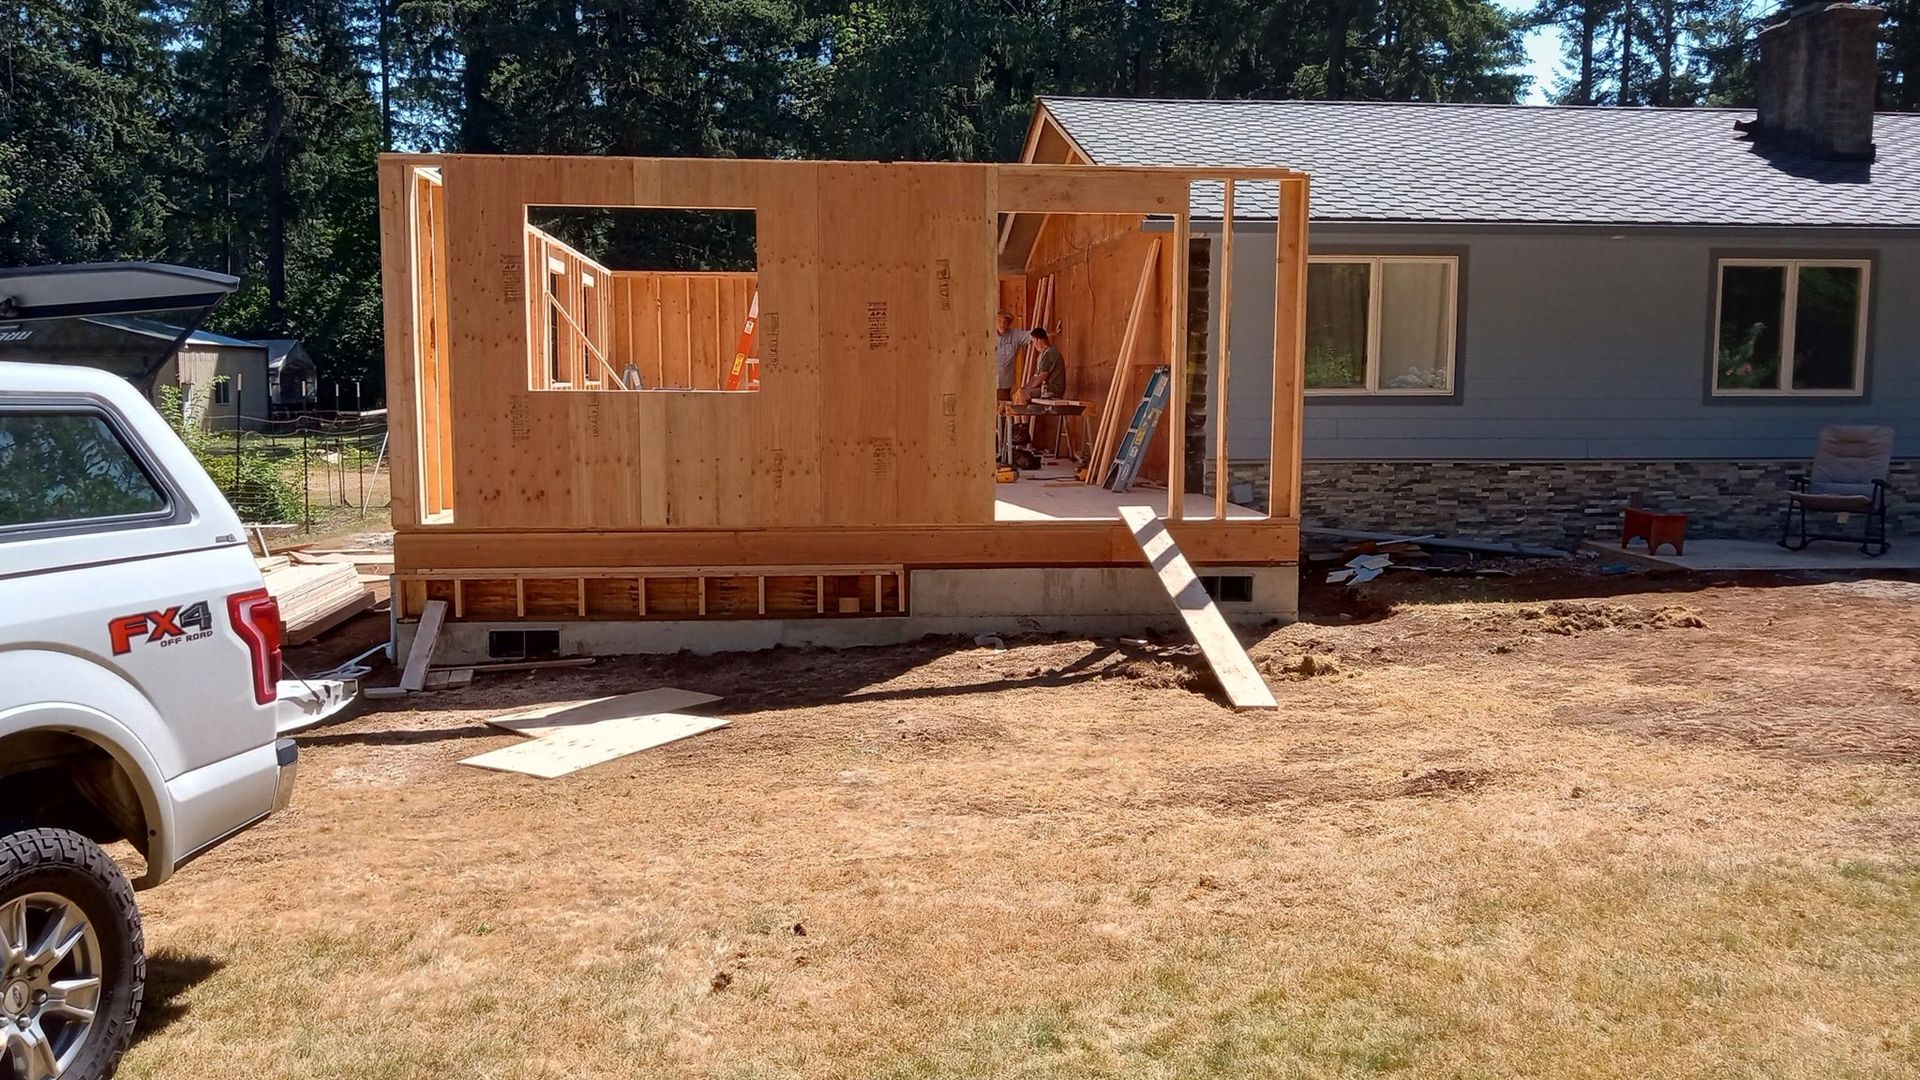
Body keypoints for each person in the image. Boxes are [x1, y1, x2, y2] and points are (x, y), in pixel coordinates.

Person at [994, 311, 1033, 403]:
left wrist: (1053, 332)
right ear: (994, 322)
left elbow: (1032, 335)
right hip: (988, 381)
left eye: (1005, 322)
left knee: (1003, 410)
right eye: (999, 321)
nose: (1002, 324)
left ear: (1009, 324)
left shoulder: (1015, 335)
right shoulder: (986, 335)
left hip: (1005, 384)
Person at [1025, 328, 1066, 400]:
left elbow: (1042, 376)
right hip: (1044, 388)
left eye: (1033, 342)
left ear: (1037, 340)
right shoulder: (1042, 355)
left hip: (1052, 390)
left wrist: (1029, 389)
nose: (1034, 345)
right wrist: (1024, 388)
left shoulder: (1050, 353)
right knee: (1023, 393)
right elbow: (1036, 376)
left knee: (1025, 395)